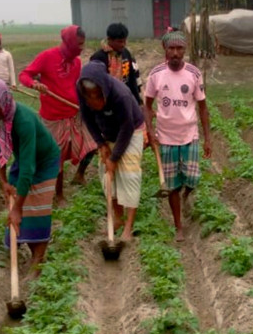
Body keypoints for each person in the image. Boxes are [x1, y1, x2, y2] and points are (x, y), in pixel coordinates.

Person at [0, 78, 60, 269]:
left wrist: (17, 209)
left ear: (4, 101)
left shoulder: (23, 120)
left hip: (45, 161)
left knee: (37, 210)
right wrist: (3, 182)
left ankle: (38, 260)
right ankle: (32, 254)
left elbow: (29, 168)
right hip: (23, 158)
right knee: (18, 203)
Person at [144, 29, 212, 242]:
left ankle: (186, 194)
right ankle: (178, 225)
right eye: (171, 48)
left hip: (189, 134)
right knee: (172, 183)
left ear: (184, 50)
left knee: (192, 178)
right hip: (165, 137)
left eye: (179, 48)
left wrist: (208, 138)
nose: (175, 53)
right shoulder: (156, 74)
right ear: (165, 49)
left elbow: (203, 107)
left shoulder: (194, 73)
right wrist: (149, 130)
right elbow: (146, 105)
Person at [19, 25, 95, 200]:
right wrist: (35, 84)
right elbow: (24, 75)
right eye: (79, 44)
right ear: (69, 42)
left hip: (74, 113)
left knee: (91, 145)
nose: (81, 48)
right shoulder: (47, 56)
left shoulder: (76, 62)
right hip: (53, 117)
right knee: (57, 156)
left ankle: (79, 175)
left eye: (83, 44)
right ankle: (58, 195)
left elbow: (76, 85)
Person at [77, 60, 145, 243]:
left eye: (97, 98)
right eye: (89, 99)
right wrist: (101, 143)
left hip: (131, 130)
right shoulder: (82, 92)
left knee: (129, 174)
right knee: (107, 176)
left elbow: (127, 127)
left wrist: (115, 158)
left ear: (105, 91)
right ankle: (118, 218)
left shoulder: (120, 95)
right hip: (107, 132)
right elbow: (87, 118)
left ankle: (128, 228)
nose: (94, 103)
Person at [90, 22, 143, 104]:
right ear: (109, 39)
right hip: (108, 104)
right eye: (120, 42)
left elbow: (132, 80)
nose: (123, 45)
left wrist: (137, 102)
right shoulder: (98, 58)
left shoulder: (126, 54)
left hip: (126, 100)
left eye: (124, 41)